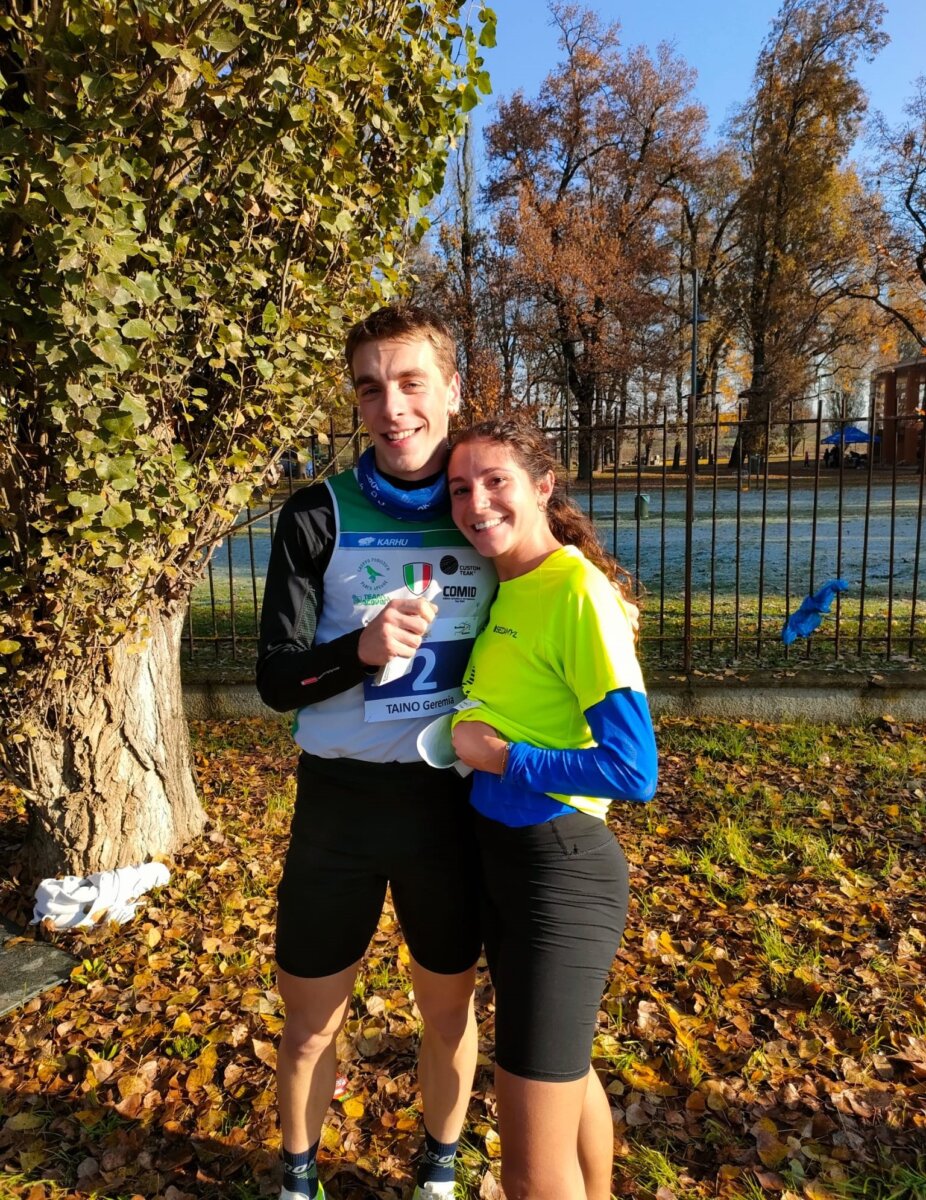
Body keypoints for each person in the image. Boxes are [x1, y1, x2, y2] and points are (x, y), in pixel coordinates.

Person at [256, 305, 497, 1200]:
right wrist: (357, 652)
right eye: (369, 388)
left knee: (449, 1013)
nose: (391, 407)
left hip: (448, 805)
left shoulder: (485, 505)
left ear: (452, 390)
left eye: (410, 382)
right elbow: (276, 679)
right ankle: (299, 1177)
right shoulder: (316, 513)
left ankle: (438, 1170)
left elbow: (563, 588)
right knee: (311, 1023)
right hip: (340, 809)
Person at [445, 418, 658, 1200]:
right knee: (565, 1075)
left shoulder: (574, 591)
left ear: (543, 486)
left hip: (559, 874)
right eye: (460, 488)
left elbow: (634, 769)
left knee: (530, 1172)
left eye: (495, 481)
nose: (476, 502)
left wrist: (505, 758)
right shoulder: (512, 584)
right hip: (507, 863)